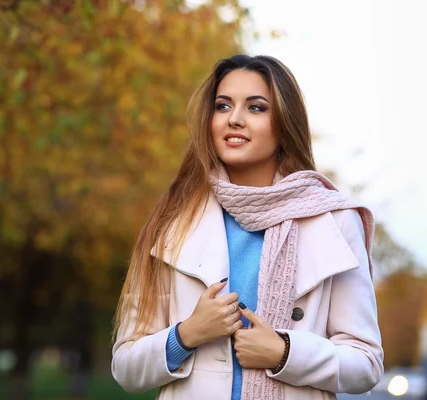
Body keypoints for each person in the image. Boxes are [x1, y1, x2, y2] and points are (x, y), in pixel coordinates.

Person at [111, 54, 384, 400]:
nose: (235, 119)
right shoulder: (173, 222)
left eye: (256, 108)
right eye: (223, 106)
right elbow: (126, 366)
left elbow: (366, 363)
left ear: (285, 125)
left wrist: (285, 352)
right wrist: (186, 335)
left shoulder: (334, 221)